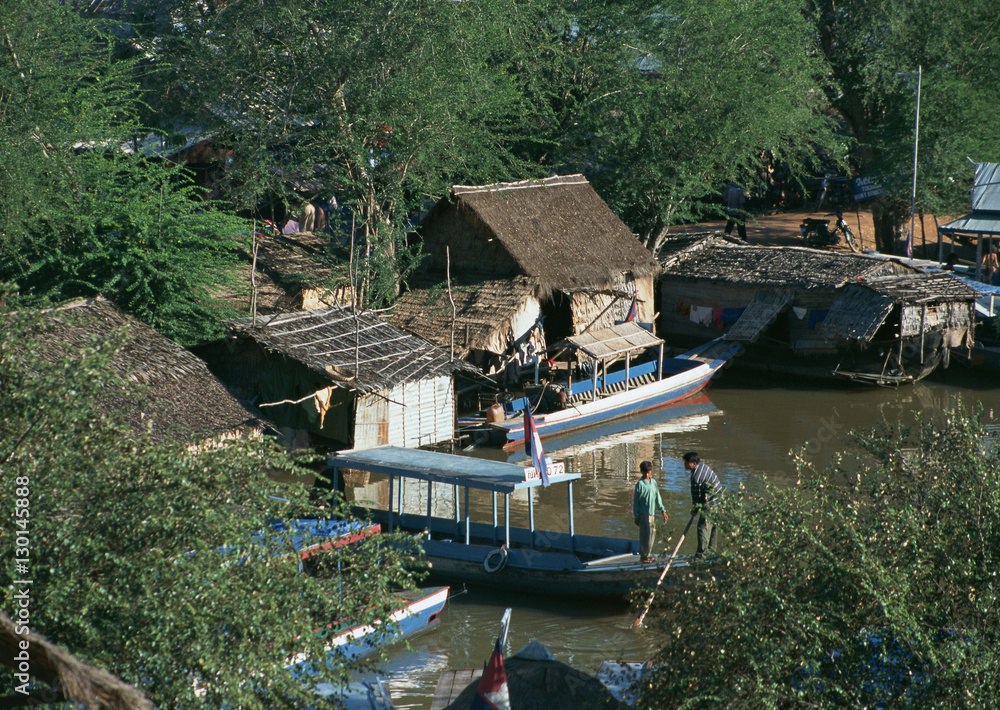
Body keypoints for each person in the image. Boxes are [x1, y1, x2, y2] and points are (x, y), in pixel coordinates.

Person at [684, 451, 722, 559]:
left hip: (711, 502)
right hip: (719, 501)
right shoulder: (703, 466)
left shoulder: (696, 477)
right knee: (713, 526)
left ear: (694, 463)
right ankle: (711, 552)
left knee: (703, 527)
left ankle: (701, 555)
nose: (685, 464)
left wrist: (695, 509)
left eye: (687, 462)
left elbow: (696, 497)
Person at [632, 460, 668, 564]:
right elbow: (636, 502)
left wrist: (662, 510)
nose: (647, 474)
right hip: (643, 514)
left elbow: (658, 497)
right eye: (645, 472)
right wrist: (636, 515)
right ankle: (643, 557)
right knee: (645, 535)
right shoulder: (640, 484)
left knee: (652, 534)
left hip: (651, 513)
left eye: (648, 472)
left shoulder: (653, 483)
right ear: (642, 472)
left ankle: (648, 554)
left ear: (651, 471)